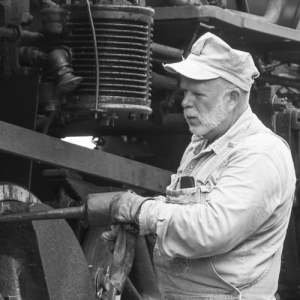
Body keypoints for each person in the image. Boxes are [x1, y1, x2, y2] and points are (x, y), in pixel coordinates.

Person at [107, 32, 296, 300]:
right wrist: (140, 222)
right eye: (185, 91)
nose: (185, 102)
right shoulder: (202, 144)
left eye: (198, 93)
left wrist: (143, 211)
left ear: (232, 97)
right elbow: (192, 208)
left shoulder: (260, 153)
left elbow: (212, 229)